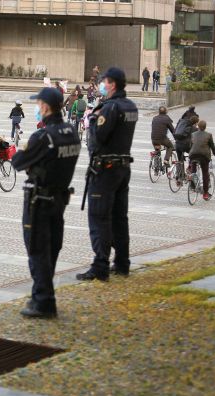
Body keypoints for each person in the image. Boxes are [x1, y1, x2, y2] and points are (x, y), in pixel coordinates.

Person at [11, 87, 80, 318]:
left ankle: (43, 302)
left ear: (46, 107)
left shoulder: (43, 136)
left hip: (38, 201)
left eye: (39, 104)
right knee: (52, 249)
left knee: (38, 250)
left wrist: (25, 158)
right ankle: (41, 295)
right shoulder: (71, 132)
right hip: (59, 199)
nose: (37, 108)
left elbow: (19, 162)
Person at [77, 67, 137, 282]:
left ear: (111, 84)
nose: (102, 85)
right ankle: (122, 263)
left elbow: (97, 140)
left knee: (100, 216)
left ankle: (100, 265)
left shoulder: (110, 108)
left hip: (106, 168)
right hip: (123, 167)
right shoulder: (130, 106)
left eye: (104, 82)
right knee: (120, 217)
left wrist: (92, 120)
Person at [189, 120, 215, 200]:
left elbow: (191, 145)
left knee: (193, 169)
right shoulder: (209, 135)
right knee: (205, 173)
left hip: (193, 155)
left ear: (198, 126)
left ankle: (192, 184)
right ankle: (205, 193)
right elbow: (212, 146)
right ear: (205, 127)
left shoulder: (193, 134)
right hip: (204, 156)